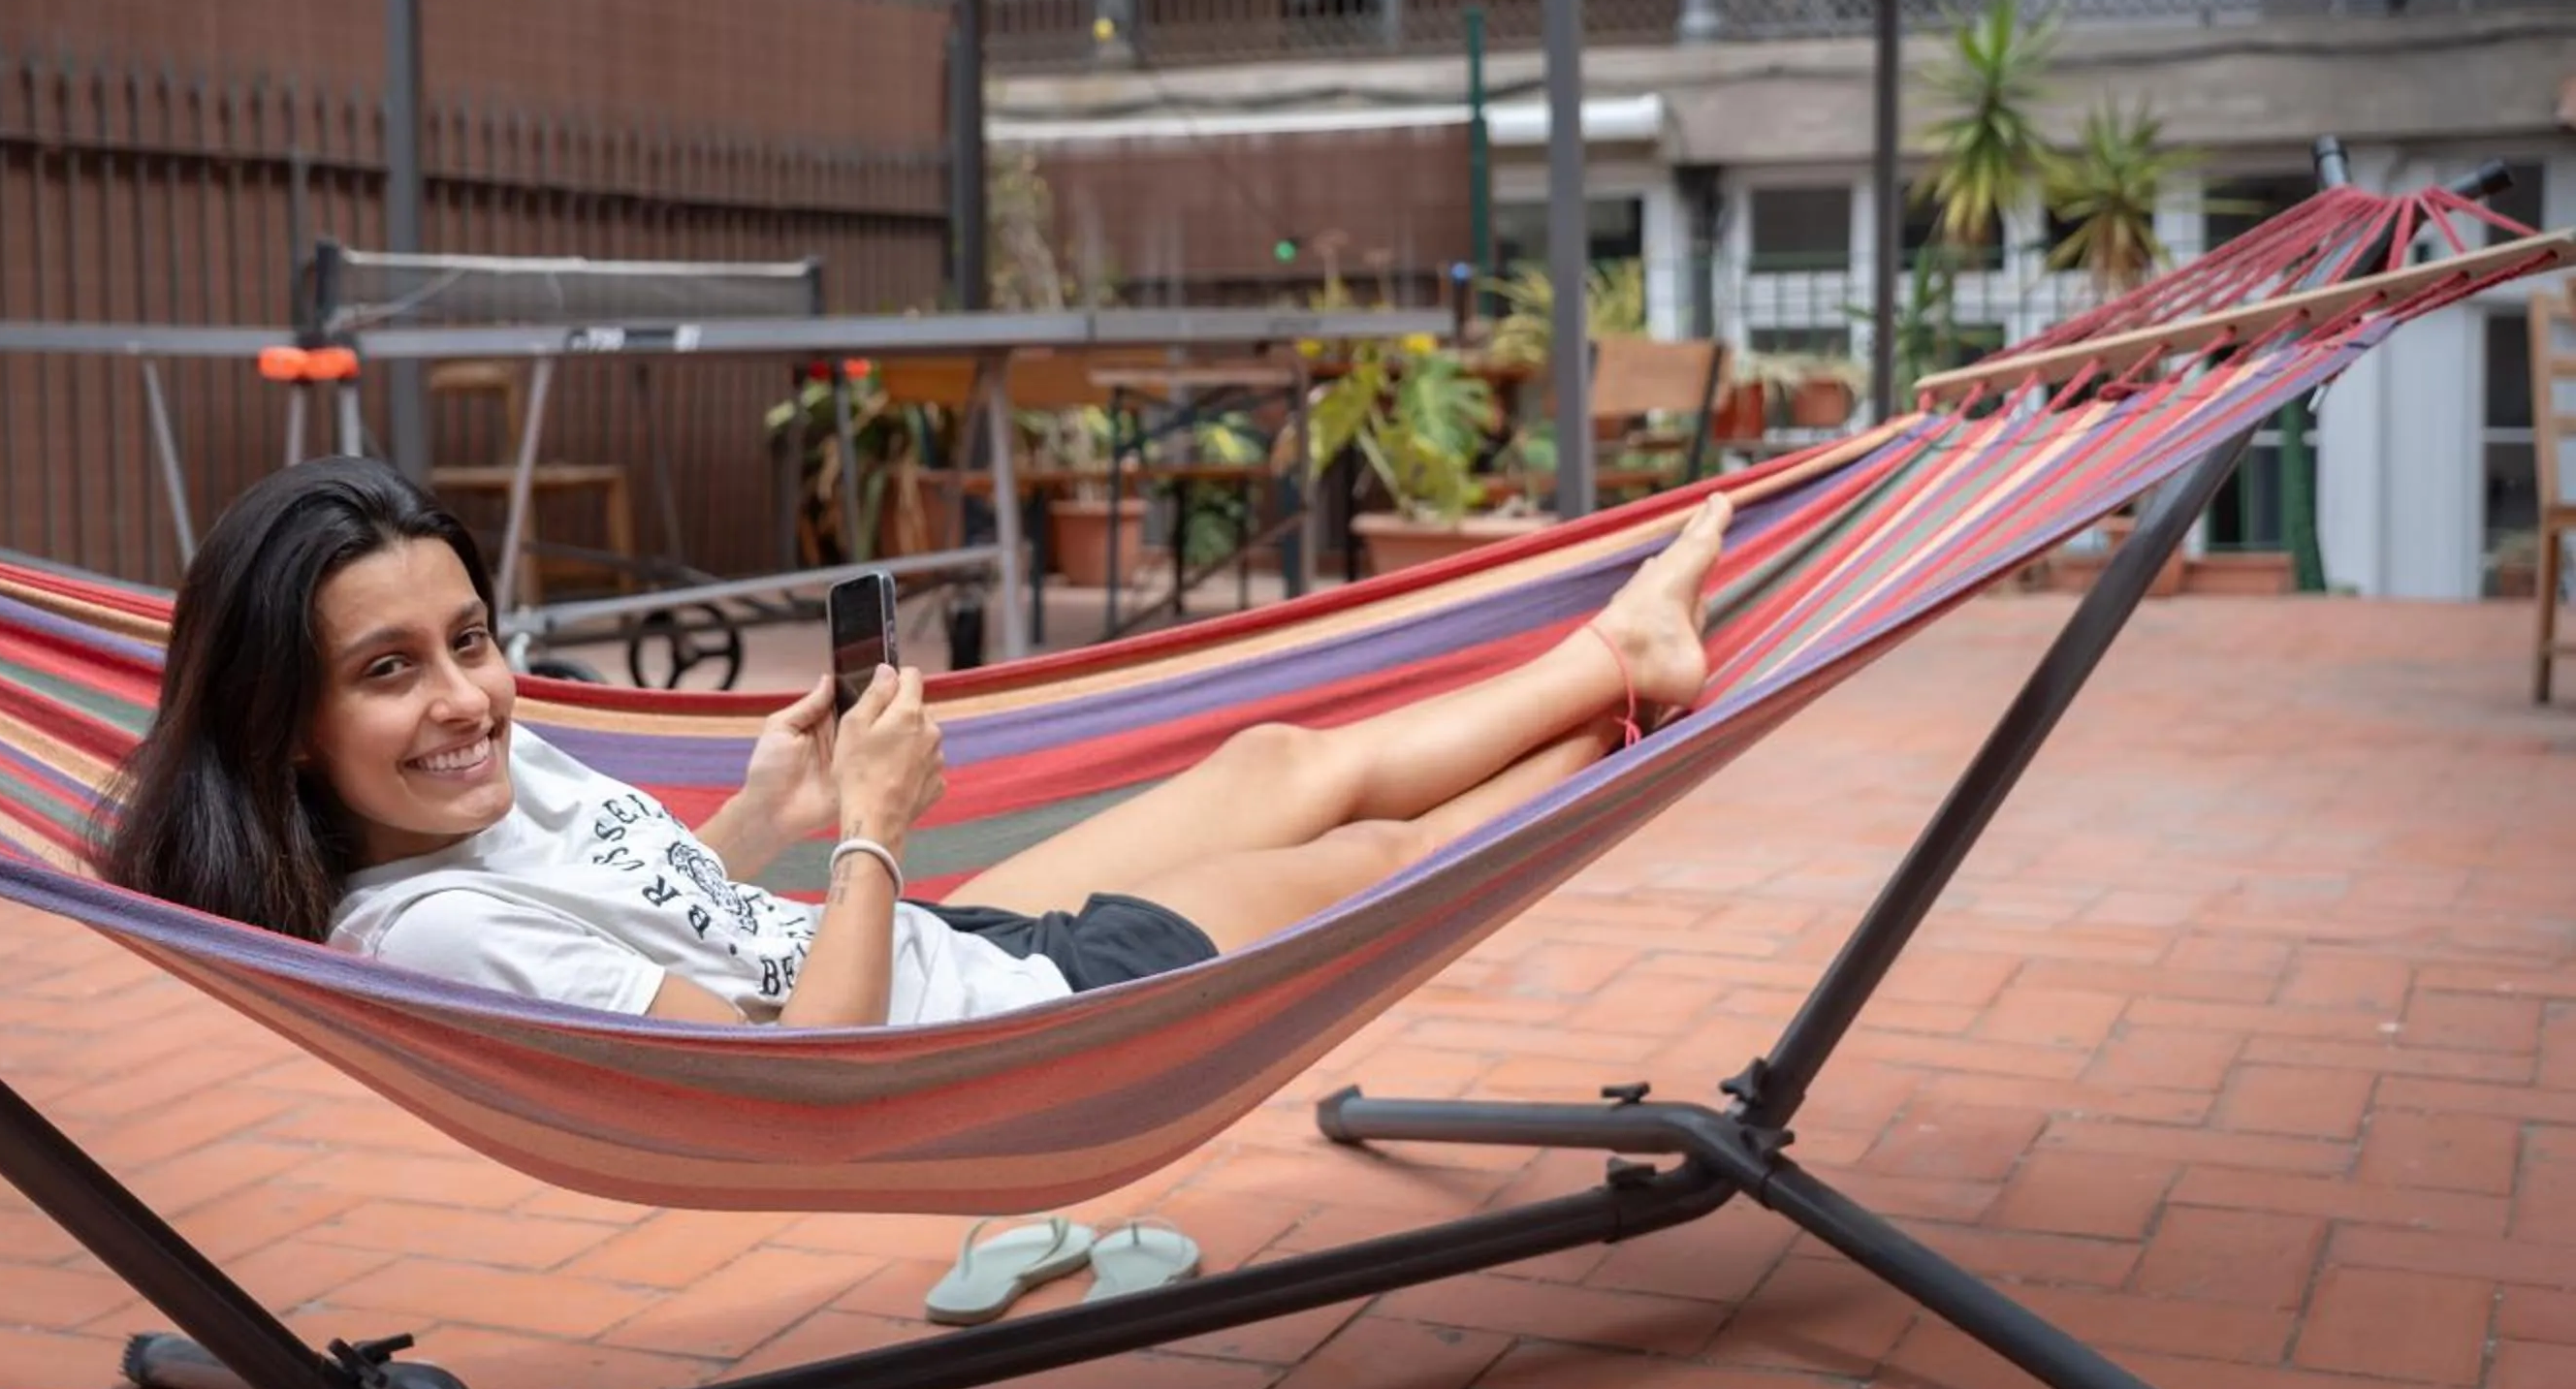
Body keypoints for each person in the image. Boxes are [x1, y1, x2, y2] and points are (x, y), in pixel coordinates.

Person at [101, 457, 1729, 1028]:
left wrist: (764, 817)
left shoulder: (478, 787)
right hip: (974, 1020)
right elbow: (800, 1066)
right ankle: (1623, 733)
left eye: (467, 638)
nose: (462, 698)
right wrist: (867, 828)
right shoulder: (435, 927)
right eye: (388, 671)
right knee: (1368, 861)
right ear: (291, 730)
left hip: (934, 952)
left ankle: (1611, 655)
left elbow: (659, 936)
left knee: (1273, 764)